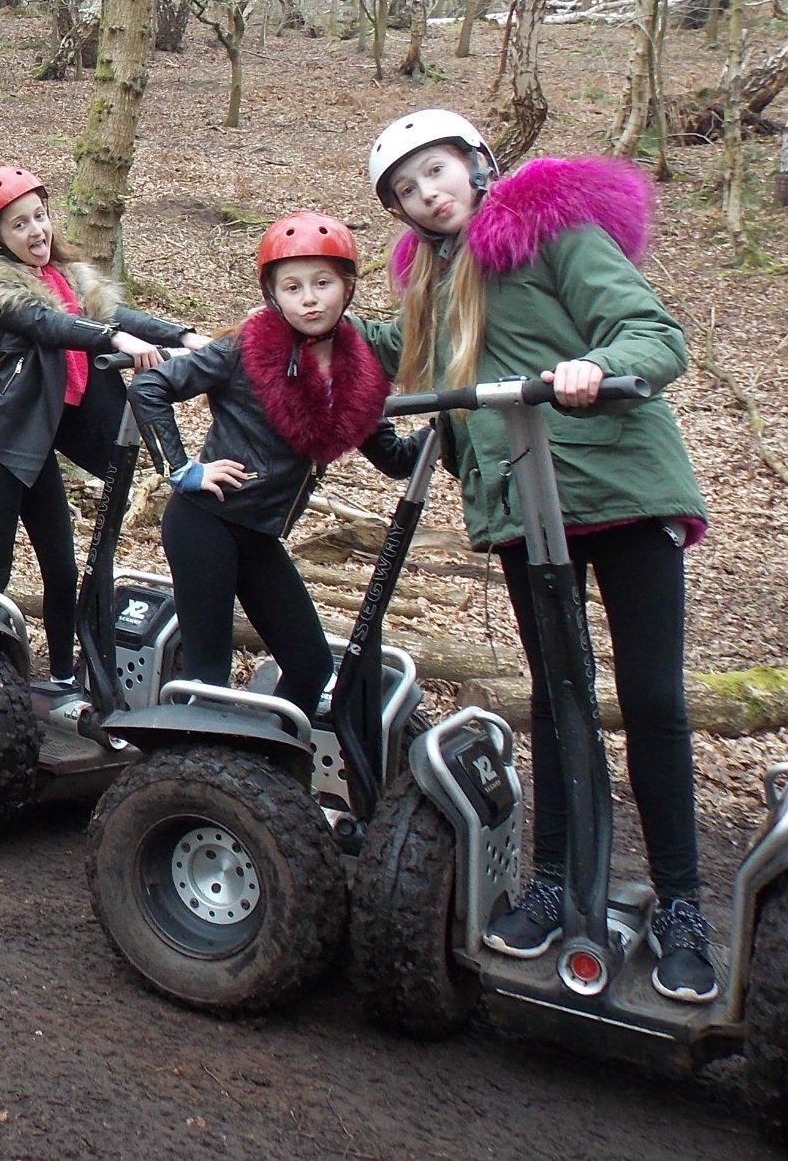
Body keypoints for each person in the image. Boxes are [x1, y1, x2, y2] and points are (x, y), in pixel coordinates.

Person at [359, 107, 716, 1004]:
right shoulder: (433, 285)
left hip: (620, 493)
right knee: (557, 701)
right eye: (406, 189)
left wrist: (594, 369)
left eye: (435, 172)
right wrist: (300, 317)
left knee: (652, 700)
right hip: (528, 507)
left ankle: (681, 907)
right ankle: (554, 883)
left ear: (476, 164)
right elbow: (402, 360)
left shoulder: (550, 232)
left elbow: (652, 334)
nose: (426, 195)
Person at [128, 213, 418, 714]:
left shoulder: (357, 373)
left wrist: (450, 431)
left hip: (259, 535)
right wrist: (183, 470)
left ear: (347, 288)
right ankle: (187, 776)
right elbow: (150, 387)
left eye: (322, 283)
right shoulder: (244, 349)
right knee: (207, 672)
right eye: (293, 286)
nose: (309, 298)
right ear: (273, 294)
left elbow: (392, 459)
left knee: (310, 666)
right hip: (205, 521)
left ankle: (267, 763)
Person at [0, 166, 201, 697]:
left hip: (40, 448)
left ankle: (63, 677)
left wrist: (187, 335)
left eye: (40, 216)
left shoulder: (67, 280)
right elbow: (49, 326)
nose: (36, 231)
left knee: (63, 571)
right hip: (1, 443)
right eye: (19, 225)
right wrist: (115, 340)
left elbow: (119, 315)